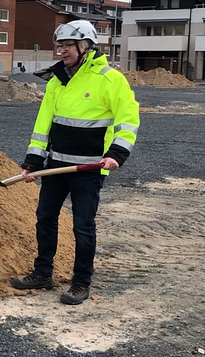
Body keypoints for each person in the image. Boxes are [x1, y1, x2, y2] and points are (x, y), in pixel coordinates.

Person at [10, 20, 140, 305]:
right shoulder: (58, 80)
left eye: (68, 45)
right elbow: (43, 124)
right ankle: (43, 273)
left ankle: (81, 283)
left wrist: (117, 155)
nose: (62, 50)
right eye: (60, 45)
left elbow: (128, 120)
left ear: (86, 47)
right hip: (56, 166)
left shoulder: (109, 79)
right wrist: (33, 161)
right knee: (45, 218)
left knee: (82, 226)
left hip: (89, 169)